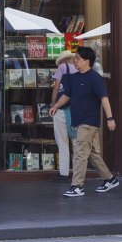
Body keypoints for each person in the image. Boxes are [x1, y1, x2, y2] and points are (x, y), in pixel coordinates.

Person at [49, 47, 118, 197]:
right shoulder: (75, 77)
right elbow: (66, 95)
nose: (75, 61)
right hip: (78, 120)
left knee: (80, 151)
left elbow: (104, 98)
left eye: (78, 58)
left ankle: (77, 186)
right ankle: (110, 179)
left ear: (87, 61)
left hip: (89, 121)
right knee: (92, 153)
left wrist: (110, 118)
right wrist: (56, 106)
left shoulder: (94, 77)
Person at [50, 50, 76, 182]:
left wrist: (53, 105)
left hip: (61, 108)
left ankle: (64, 173)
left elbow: (56, 88)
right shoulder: (78, 69)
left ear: (62, 60)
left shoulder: (62, 67)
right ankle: (78, 172)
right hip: (75, 109)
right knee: (76, 141)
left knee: (63, 142)